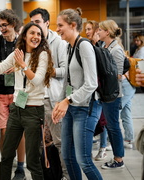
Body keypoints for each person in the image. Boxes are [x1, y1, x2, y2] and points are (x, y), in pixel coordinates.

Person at [0, 22, 54, 180]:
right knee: (6, 157)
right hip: (16, 109)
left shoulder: (43, 54)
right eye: (32, 33)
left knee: (33, 162)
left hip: (33, 111)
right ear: (24, 35)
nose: (36, 37)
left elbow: (37, 80)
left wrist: (23, 65)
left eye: (39, 34)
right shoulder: (17, 53)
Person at [52, 8, 103, 180]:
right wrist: (59, 103)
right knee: (67, 156)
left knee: (84, 160)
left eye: (60, 25)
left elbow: (91, 84)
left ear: (73, 25)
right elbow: (68, 81)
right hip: (71, 107)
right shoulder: (69, 47)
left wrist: (67, 100)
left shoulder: (84, 46)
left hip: (86, 108)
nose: (57, 29)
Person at [29, 7, 68, 180]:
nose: (34, 26)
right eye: (32, 23)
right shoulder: (31, 42)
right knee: (40, 144)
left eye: (37, 22)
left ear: (46, 23)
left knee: (60, 142)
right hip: (33, 101)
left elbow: (66, 71)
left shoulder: (59, 42)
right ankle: (48, 175)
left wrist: (46, 71)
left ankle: (67, 175)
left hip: (52, 99)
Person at [0, 9, 26, 180]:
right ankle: (7, 161)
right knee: (4, 131)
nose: (2, 28)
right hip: (0, 91)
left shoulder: (23, 41)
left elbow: (29, 65)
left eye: (5, 25)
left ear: (14, 24)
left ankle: (20, 166)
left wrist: (17, 66)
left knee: (20, 131)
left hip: (20, 92)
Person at [97, 19, 125, 169]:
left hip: (113, 95)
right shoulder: (104, 46)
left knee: (113, 127)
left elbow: (118, 75)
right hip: (106, 94)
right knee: (110, 126)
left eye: (100, 30)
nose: (98, 32)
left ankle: (118, 159)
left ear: (107, 32)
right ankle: (117, 157)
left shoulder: (116, 50)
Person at [85, 20, 111, 161]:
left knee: (102, 120)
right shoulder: (87, 45)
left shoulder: (100, 46)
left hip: (101, 91)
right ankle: (96, 148)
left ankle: (103, 147)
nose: (87, 31)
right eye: (86, 29)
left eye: (90, 29)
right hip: (93, 91)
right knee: (97, 121)